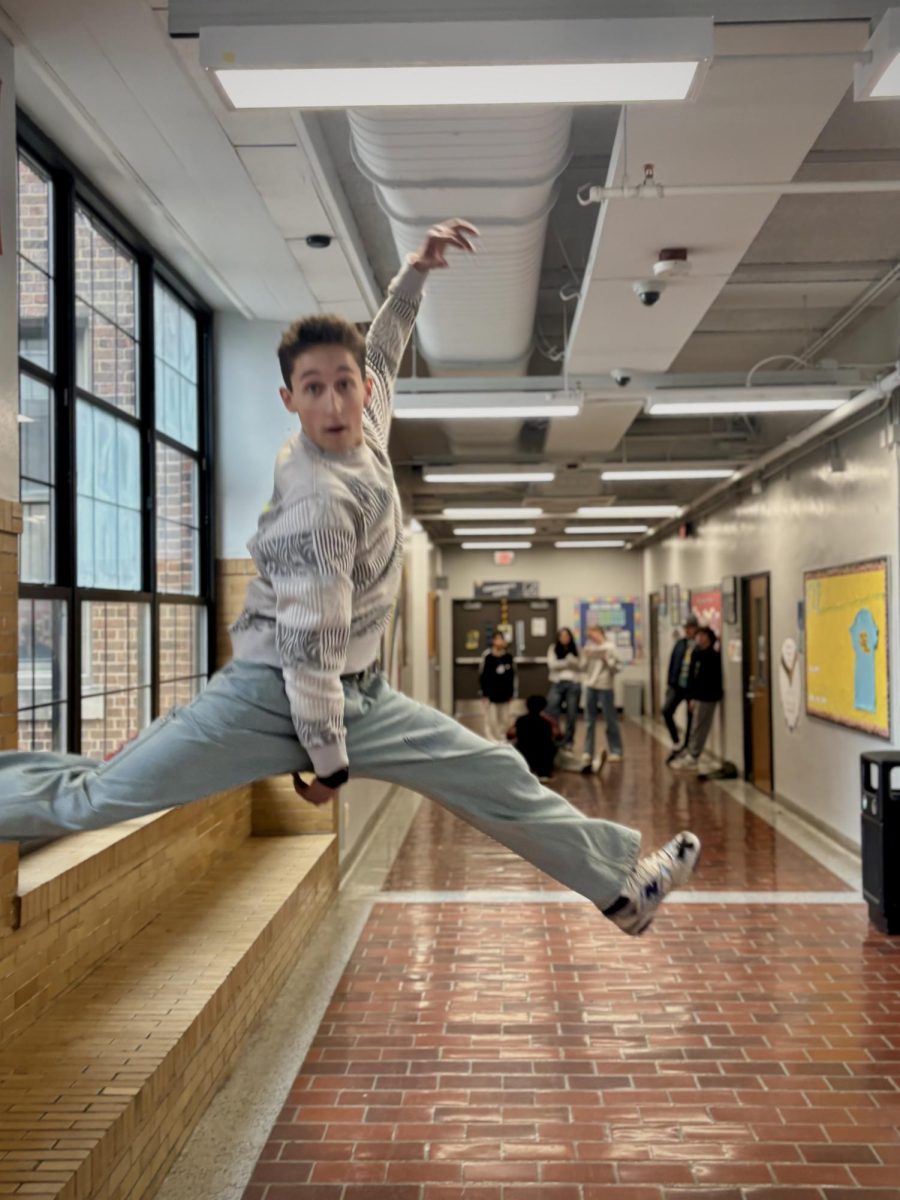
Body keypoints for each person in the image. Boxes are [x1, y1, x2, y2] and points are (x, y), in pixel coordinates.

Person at [0, 219, 700, 938]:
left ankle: (620, 891)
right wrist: (330, 768)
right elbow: (308, 658)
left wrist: (415, 272)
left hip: (358, 694)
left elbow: (388, 343)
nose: (333, 404)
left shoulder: (366, 424)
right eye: (313, 389)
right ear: (289, 399)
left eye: (344, 384)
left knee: (491, 771)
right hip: (273, 693)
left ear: (364, 389)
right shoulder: (318, 503)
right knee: (99, 796)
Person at [671, 626, 723, 773]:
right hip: (696, 696)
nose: (699, 638)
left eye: (702, 635)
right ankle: (690, 751)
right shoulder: (696, 654)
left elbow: (710, 679)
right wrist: (690, 697)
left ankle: (694, 755)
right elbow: (692, 678)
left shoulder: (713, 656)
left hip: (708, 696)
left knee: (700, 726)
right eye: (698, 635)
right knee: (694, 726)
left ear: (709, 638)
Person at [581, 625, 623, 773]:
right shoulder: (589, 647)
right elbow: (583, 668)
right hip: (590, 685)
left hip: (605, 686)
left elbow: (617, 668)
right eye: (589, 636)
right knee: (589, 720)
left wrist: (607, 661)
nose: (591, 638)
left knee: (610, 719)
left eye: (593, 635)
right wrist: (585, 657)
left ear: (600, 633)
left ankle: (616, 750)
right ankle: (587, 751)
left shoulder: (611, 647)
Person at [662, 614, 699, 755]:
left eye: (690, 627)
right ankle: (676, 741)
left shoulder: (698, 645)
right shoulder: (680, 644)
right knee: (666, 711)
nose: (687, 630)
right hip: (677, 685)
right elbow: (673, 664)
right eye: (686, 627)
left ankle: (688, 746)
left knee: (691, 718)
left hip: (692, 688)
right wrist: (669, 683)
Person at [507, 694, 559, 782]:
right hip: (542, 756)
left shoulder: (521, 720)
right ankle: (544, 772)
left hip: (524, 754)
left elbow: (509, 735)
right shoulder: (547, 722)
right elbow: (559, 736)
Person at [546, 627, 582, 749]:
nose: (564, 638)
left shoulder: (576, 648)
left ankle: (568, 741)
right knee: (551, 710)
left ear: (570, 637)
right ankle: (555, 737)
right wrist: (568, 662)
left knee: (571, 714)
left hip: (573, 684)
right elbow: (552, 665)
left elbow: (581, 666)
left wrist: (570, 662)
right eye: (561, 636)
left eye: (566, 636)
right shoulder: (553, 648)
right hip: (557, 683)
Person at [479, 631, 515, 743]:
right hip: (490, 693)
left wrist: (512, 692)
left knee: (504, 718)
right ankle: (491, 739)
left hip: (505, 692)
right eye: (496, 639)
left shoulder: (508, 657)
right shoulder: (487, 657)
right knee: (491, 718)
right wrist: (484, 693)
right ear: (493, 641)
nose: (499, 641)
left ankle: (502, 737)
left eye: (501, 639)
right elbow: (483, 675)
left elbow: (513, 676)